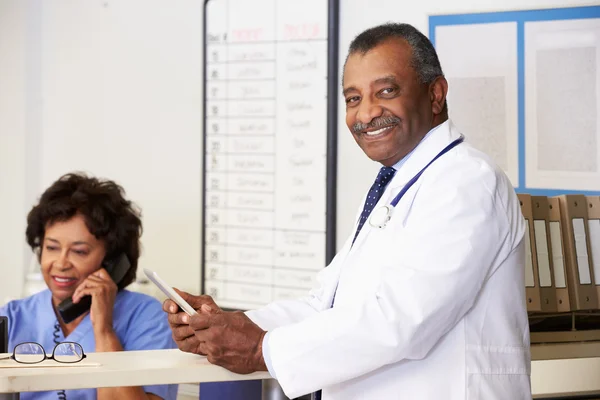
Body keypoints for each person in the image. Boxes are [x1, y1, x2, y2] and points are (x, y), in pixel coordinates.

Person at [164, 22, 531, 400]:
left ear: (435, 94)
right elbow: (326, 304)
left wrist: (260, 348)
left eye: (386, 91)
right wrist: (232, 325)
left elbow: (401, 320)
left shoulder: (467, 181)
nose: (367, 113)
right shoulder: (396, 183)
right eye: (353, 98)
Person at [0, 173, 178, 400]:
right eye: (52, 247)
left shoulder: (148, 318)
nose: (61, 263)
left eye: (79, 251)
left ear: (111, 260)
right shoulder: (13, 317)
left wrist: (103, 330)